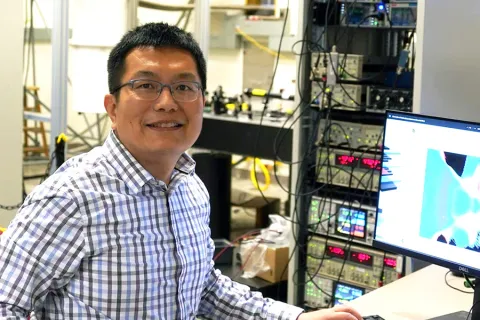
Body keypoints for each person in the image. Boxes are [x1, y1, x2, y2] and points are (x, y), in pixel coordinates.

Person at [0, 22, 363, 320]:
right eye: (145, 86)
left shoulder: (189, 187)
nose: (167, 102)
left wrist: (297, 318)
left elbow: (203, 287)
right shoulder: (71, 198)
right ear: (112, 107)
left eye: (184, 87)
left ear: (202, 102)